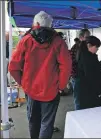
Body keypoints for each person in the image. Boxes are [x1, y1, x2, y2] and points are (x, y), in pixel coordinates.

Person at [8, 11, 72, 139]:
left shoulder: (25, 40)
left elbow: (13, 67)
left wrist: (23, 83)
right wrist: (60, 86)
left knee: (33, 120)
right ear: (50, 25)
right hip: (51, 90)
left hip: (31, 90)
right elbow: (66, 66)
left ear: (36, 23)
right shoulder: (58, 41)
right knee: (46, 123)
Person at [77, 36, 101, 109]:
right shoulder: (86, 57)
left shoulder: (89, 54)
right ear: (89, 45)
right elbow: (90, 76)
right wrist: (98, 92)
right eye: (96, 47)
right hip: (90, 91)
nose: (97, 49)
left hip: (90, 90)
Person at [70, 29, 91, 110]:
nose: (89, 38)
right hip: (77, 77)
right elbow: (72, 63)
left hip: (83, 76)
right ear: (81, 37)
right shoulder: (76, 47)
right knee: (78, 99)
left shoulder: (86, 46)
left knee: (85, 98)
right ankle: (78, 115)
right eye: (87, 37)